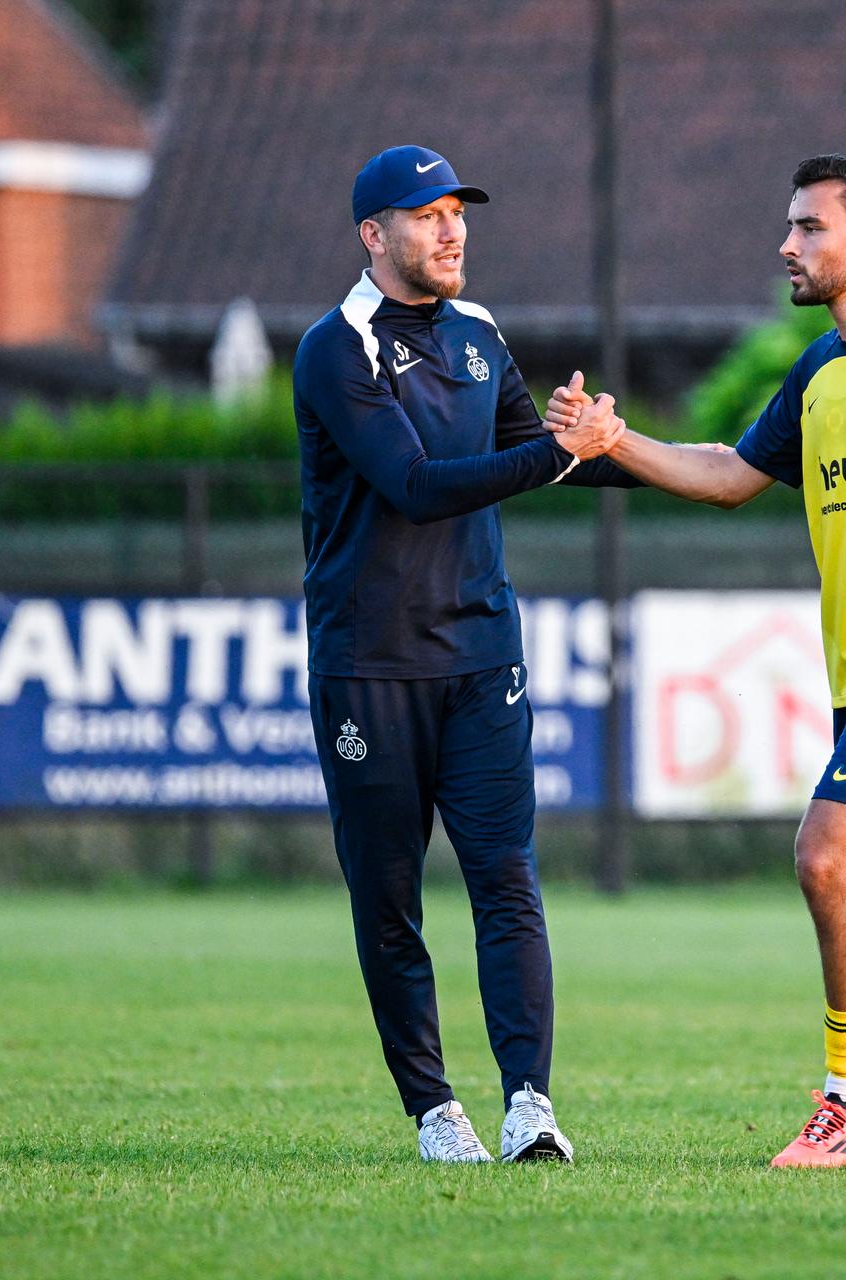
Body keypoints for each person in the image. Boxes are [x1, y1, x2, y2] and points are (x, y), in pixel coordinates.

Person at [549, 155, 846, 1169]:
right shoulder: (816, 370)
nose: (787, 247)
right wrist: (615, 443)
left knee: (827, 857)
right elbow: (729, 475)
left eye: (808, 228)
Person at [294, 144, 639, 1163]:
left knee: (506, 877)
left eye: (458, 212)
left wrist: (618, 444)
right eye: (426, 214)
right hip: (371, 659)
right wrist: (560, 450)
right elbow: (415, 480)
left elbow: (540, 457)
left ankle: (529, 1102)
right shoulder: (334, 345)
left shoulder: (482, 332)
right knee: (389, 894)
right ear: (374, 235)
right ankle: (435, 1111)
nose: (452, 231)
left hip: (484, 652)